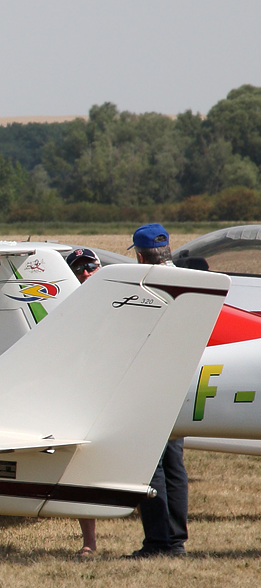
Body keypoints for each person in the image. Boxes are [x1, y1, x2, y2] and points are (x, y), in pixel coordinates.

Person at [128, 224, 189, 558]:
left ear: (139, 255)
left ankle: (157, 542)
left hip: (152, 385)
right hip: (184, 382)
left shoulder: (146, 286)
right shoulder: (191, 282)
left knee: (150, 464)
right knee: (174, 464)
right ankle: (176, 539)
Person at [66, 248, 103, 557]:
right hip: (85, 395)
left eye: (90, 266)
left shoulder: (120, 298)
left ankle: (162, 539)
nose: (86, 273)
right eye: (79, 269)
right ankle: (89, 541)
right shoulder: (67, 307)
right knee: (83, 464)